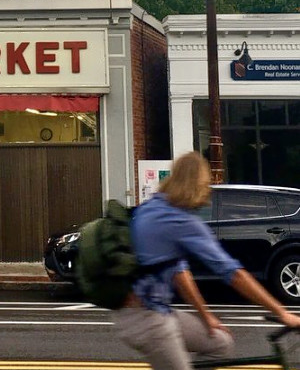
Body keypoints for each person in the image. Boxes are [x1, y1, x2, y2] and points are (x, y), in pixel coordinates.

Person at [114, 151, 300, 369]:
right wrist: (282, 313)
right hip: (147, 321)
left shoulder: (152, 207)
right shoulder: (180, 221)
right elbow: (234, 274)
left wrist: (207, 317)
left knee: (220, 343)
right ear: (197, 184)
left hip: (154, 312)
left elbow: (181, 274)